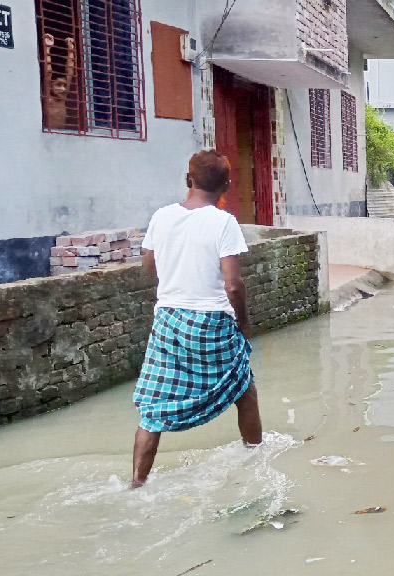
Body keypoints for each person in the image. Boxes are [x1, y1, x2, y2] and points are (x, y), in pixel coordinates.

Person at [131, 150, 262, 488]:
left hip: (169, 322)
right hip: (212, 322)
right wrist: (244, 323)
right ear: (227, 185)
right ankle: (255, 454)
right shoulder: (224, 222)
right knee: (243, 388)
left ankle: (136, 483)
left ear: (188, 180)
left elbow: (148, 265)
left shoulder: (162, 217)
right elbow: (233, 284)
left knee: (152, 407)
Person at [42, 33, 76, 129]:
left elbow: (70, 70)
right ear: (51, 85)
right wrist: (47, 47)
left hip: (62, 136)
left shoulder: (63, 97)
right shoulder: (47, 95)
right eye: (58, 85)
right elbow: (48, 71)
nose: (63, 88)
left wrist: (71, 49)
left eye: (64, 85)